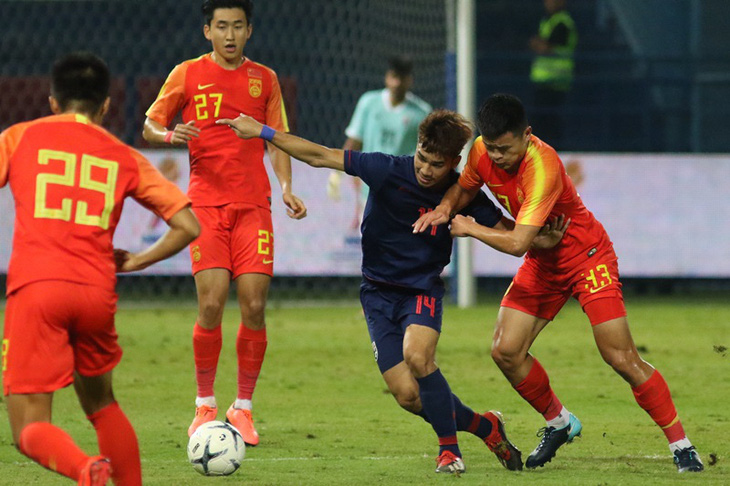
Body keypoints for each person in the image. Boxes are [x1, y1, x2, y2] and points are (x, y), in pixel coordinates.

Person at [217, 109, 568, 474]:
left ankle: (449, 451)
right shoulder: (387, 169)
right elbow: (320, 155)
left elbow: (513, 234)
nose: (425, 169)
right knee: (408, 396)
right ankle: (486, 426)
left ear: (454, 163)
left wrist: (544, 240)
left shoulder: (464, 196)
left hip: (422, 289)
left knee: (418, 357)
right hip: (376, 293)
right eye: (421, 157)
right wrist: (262, 131)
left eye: (436, 164)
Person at [413, 93, 704, 473]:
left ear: (527, 135)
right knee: (506, 351)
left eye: (505, 148)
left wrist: (470, 227)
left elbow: (517, 243)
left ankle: (682, 446)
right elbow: (466, 187)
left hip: (586, 256)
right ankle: (560, 422)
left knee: (619, 356)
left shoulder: (542, 166)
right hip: (544, 260)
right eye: (492, 147)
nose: (497, 157)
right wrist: (446, 208)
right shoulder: (482, 151)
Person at [0, 52, 200, 486]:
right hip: (96, 292)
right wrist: (136, 261)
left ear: (52, 101)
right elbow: (188, 225)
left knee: (28, 426)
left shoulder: (18, 138)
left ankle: (85, 470)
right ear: (106, 106)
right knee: (102, 404)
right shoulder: (123, 155)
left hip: (37, 289)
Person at [142, 0, 307, 445]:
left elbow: (277, 140)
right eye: (221, 26)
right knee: (212, 304)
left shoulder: (265, 79)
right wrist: (168, 135)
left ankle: (244, 407)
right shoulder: (187, 73)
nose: (230, 35)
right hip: (206, 207)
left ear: (249, 30)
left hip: (254, 206)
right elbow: (149, 124)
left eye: (238, 26)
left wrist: (287, 186)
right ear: (206, 31)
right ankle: (204, 405)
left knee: (254, 305)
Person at [327, 55, 432, 229]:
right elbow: (354, 140)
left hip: (404, 192)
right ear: (387, 77)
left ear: (409, 80)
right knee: (371, 248)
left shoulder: (421, 112)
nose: (397, 83)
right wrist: (336, 173)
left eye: (402, 78)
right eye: (394, 77)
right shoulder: (368, 103)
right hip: (370, 190)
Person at [528, 0, 577, 145]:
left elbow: (544, 47)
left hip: (556, 82)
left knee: (550, 120)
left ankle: (553, 149)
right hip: (543, 82)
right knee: (542, 120)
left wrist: (538, 44)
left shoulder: (563, 23)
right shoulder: (548, 21)